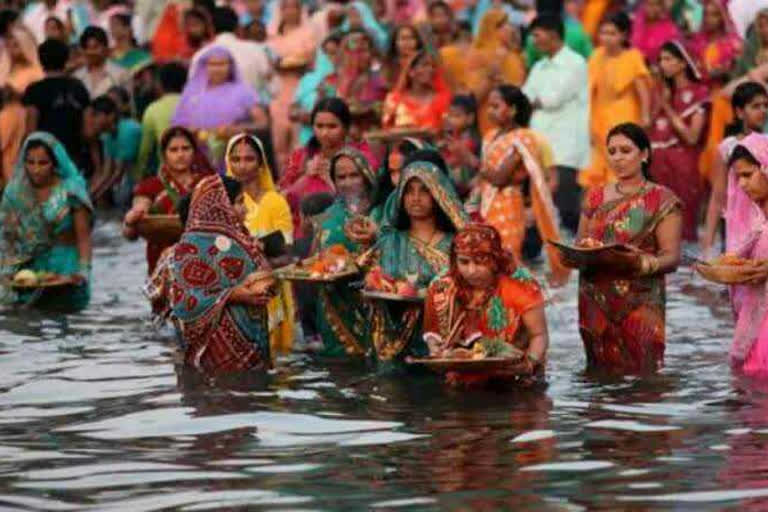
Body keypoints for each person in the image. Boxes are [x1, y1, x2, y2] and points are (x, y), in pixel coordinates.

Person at [566, 123, 682, 374]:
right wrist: (570, 257)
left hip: (639, 300)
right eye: (612, 151)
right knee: (598, 376)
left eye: (625, 151)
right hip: (594, 297)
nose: (617, 158)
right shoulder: (595, 197)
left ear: (644, 155)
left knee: (643, 377)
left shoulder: (662, 200)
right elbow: (580, 244)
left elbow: (672, 257)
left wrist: (639, 263)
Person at [360, 159, 468, 363]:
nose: (415, 198)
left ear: (438, 194)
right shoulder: (391, 242)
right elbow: (374, 282)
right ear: (401, 195)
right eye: (409, 191)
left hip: (445, 345)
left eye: (424, 190)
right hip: (396, 342)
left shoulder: (456, 245)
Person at [167, 174, 275, 374]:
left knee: (252, 393)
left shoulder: (243, 240)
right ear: (220, 206)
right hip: (214, 346)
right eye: (238, 203)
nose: (245, 209)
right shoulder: (190, 247)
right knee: (217, 396)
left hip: (251, 339)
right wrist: (234, 295)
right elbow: (184, 302)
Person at [467, 84, 570, 285]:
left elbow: (499, 178)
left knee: (506, 256)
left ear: (512, 109)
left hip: (509, 204)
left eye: (496, 106)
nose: (489, 111)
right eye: (489, 106)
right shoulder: (489, 136)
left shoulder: (523, 138)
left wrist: (469, 159)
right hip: (485, 205)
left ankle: (520, 303)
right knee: (486, 258)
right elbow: (486, 177)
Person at [423, 223, 549, 386]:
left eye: (480, 262)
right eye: (464, 262)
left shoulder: (521, 284)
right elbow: (433, 334)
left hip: (516, 379)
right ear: (455, 260)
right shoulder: (441, 287)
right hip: (462, 379)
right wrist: (436, 350)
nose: (471, 270)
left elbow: (539, 335)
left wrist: (528, 365)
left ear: (495, 259)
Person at [0, 132, 93, 311]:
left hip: (67, 264)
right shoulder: (15, 194)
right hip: (29, 269)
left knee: (67, 320)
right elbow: (7, 238)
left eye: (43, 163)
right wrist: (7, 274)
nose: (36, 169)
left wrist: (83, 272)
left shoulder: (71, 191)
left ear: (55, 163)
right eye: (30, 162)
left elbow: (83, 238)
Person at [225, 133, 296, 355]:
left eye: (249, 159)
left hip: (272, 289)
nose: (242, 166)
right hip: (236, 291)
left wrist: (262, 252)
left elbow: (287, 256)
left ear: (261, 163)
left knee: (278, 357)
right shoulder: (223, 202)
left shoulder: (276, 202)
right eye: (236, 159)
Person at [314, 147, 382, 357]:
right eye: (341, 177)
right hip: (335, 303)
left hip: (376, 300)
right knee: (340, 368)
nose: (348, 182)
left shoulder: (382, 212)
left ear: (366, 175)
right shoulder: (327, 217)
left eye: (354, 175)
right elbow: (316, 260)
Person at [523, 15, 589, 234]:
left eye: (536, 35)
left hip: (565, 148)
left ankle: (577, 257)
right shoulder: (539, 66)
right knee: (540, 202)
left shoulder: (575, 62)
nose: (533, 40)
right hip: (540, 144)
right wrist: (535, 101)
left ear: (552, 34)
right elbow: (524, 99)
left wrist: (536, 100)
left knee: (567, 209)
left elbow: (553, 99)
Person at [123, 126, 215, 274]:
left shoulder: (208, 184)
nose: (180, 155)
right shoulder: (150, 186)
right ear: (164, 154)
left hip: (203, 266)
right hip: (162, 268)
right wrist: (132, 219)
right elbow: (131, 233)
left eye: (186, 148)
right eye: (174, 150)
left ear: (194, 151)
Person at [580, 12, 651, 188]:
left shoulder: (633, 57)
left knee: (622, 166)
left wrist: (646, 116)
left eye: (612, 33)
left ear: (624, 35)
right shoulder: (595, 56)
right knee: (597, 173)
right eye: (603, 33)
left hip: (624, 116)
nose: (606, 38)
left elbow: (643, 91)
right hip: (599, 118)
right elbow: (589, 91)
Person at [649, 41, 710, 243]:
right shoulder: (660, 91)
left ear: (683, 63)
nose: (662, 64)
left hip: (683, 165)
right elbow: (647, 126)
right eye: (660, 59)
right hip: (658, 166)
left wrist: (666, 106)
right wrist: (660, 99)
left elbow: (692, 137)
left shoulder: (698, 93)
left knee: (683, 226)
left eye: (668, 59)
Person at [172, 45, 269, 169]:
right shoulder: (192, 92)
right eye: (213, 64)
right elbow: (177, 125)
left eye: (222, 64)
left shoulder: (244, 91)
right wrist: (190, 131)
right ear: (205, 66)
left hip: (236, 160)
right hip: (195, 161)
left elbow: (263, 123)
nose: (217, 69)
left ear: (230, 66)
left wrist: (237, 129)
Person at [280, 98, 362, 236]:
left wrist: (332, 179)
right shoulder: (300, 157)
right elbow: (282, 202)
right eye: (319, 126)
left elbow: (362, 204)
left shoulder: (358, 158)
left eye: (332, 126)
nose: (324, 133)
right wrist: (305, 176)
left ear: (346, 127)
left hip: (345, 232)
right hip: (302, 236)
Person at [702, 82, 768, 255]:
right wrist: (707, 243)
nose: (763, 111)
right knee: (737, 273)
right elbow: (717, 197)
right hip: (737, 225)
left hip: (765, 224)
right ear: (739, 112)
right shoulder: (728, 147)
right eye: (755, 106)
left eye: (765, 105)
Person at [440, 8, 526, 134]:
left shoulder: (516, 55)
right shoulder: (478, 55)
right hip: (488, 123)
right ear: (489, 29)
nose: (509, 28)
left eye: (508, 24)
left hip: (516, 122)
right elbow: (473, 98)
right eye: (501, 25)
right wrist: (493, 73)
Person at [724, 134, 768, 376]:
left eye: (748, 175)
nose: (741, 185)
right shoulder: (754, 219)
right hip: (754, 325)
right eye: (737, 177)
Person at [267, 0, 323, 171]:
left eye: (295, 6)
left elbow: (313, 61)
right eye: (286, 7)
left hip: (303, 87)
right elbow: (269, 62)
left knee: (298, 141)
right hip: (279, 90)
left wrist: (295, 63)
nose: (290, 11)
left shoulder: (309, 33)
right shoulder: (272, 35)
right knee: (279, 142)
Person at [694, 0, 744, 186]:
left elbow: (740, 71)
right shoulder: (697, 44)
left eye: (714, 14)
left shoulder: (733, 44)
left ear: (723, 17)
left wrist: (726, 72)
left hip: (726, 101)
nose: (709, 19)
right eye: (706, 14)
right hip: (701, 103)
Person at [22, 38, 90, 163]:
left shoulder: (34, 90)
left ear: (41, 61)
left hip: (45, 159)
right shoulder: (79, 87)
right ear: (66, 59)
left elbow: (31, 130)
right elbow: (86, 130)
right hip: (74, 157)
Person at [190, 6, 275, 99]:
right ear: (237, 27)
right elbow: (274, 89)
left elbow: (193, 93)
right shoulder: (256, 50)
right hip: (251, 109)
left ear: (211, 28)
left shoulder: (201, 55)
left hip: (212, 112)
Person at [317, 30, 388, 140]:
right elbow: (320, 113)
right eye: (353, 51)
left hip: (372, 139)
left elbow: (388, 111)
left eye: (364, 51)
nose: (358, 57)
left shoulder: (380, 80)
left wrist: (369, 108)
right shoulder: (329, 82)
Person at [136, 62, 187, 179]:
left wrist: (138, 176)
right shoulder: (196, 104)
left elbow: (145, 151)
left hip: (168, 176)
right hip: (197, 173)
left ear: (160, 84)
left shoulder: (153, 109)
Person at [382, 51, 451, 132]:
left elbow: (448, 129)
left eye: (432, 66)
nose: (430, 69)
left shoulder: (443, 98)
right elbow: (386, 129)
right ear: (411, 72)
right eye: (424, 65)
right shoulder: (394, 99)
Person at [291, 32, 340, 146]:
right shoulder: (308, 79)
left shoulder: (344, 80)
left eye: (333, 53)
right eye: (325, 53)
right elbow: (292, 110)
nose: (329, 57)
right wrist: (301, 115)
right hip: (307, 141)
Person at [438, 94, 481, 198]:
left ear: (470, 118)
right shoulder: (455, 137)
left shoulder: (471, 141)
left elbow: (453, 161)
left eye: (456, 116)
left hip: (467, 187)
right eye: (450, 115)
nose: (451, 119)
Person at [72, 26, 130, 98]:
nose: (91, 52)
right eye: (87, 48)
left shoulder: (120, 74)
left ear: (105, 47)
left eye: (95, 47)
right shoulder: (77, 77)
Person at [3, 25, 43, 95]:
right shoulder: (3, 69)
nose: (10, 49)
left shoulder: (37, 71)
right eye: (7, 45)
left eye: (16, 45)